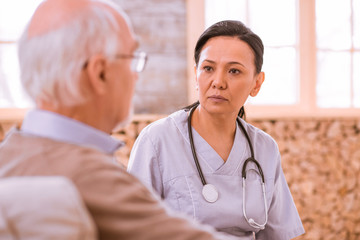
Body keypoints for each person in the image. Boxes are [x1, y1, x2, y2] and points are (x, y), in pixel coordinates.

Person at [0, 1, 241, 239]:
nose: (136, 76)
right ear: (100, 73)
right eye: (131, 58)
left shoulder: (9, 155)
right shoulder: (91, 178)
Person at [128, 20, 305, 240]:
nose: (218, 82)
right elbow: (131, 229)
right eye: (208, 68)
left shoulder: (265, 149)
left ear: (256, 83)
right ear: (196, 75)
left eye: (234, 71)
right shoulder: (157, 140)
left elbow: (279, 234)